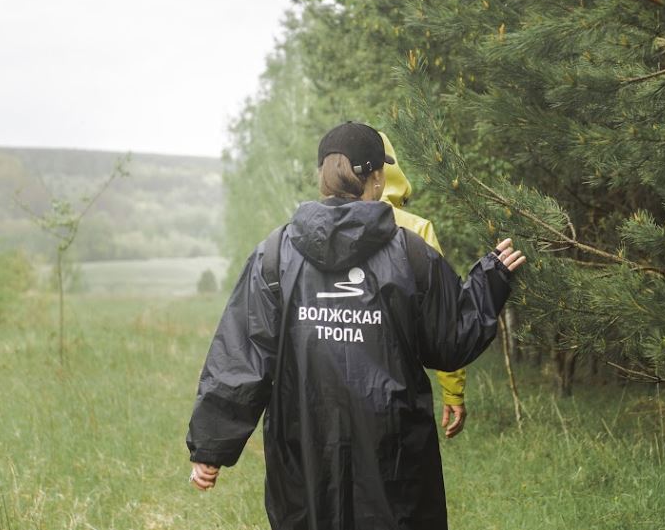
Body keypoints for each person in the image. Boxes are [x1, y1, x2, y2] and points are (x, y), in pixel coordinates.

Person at [186, 121, 525, 530]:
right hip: (393, 459)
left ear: (322, 178)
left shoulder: (274, 254)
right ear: (378, 178)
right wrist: (491, 280)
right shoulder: (410, 253)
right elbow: (452, 338)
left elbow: (241, 357)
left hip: (304, 455)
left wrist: (211, 447)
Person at [377, 131, 467, 439]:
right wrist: (452, 390)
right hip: (402, 390)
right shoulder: (416, 230)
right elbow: (442, 317)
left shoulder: (318, 232)